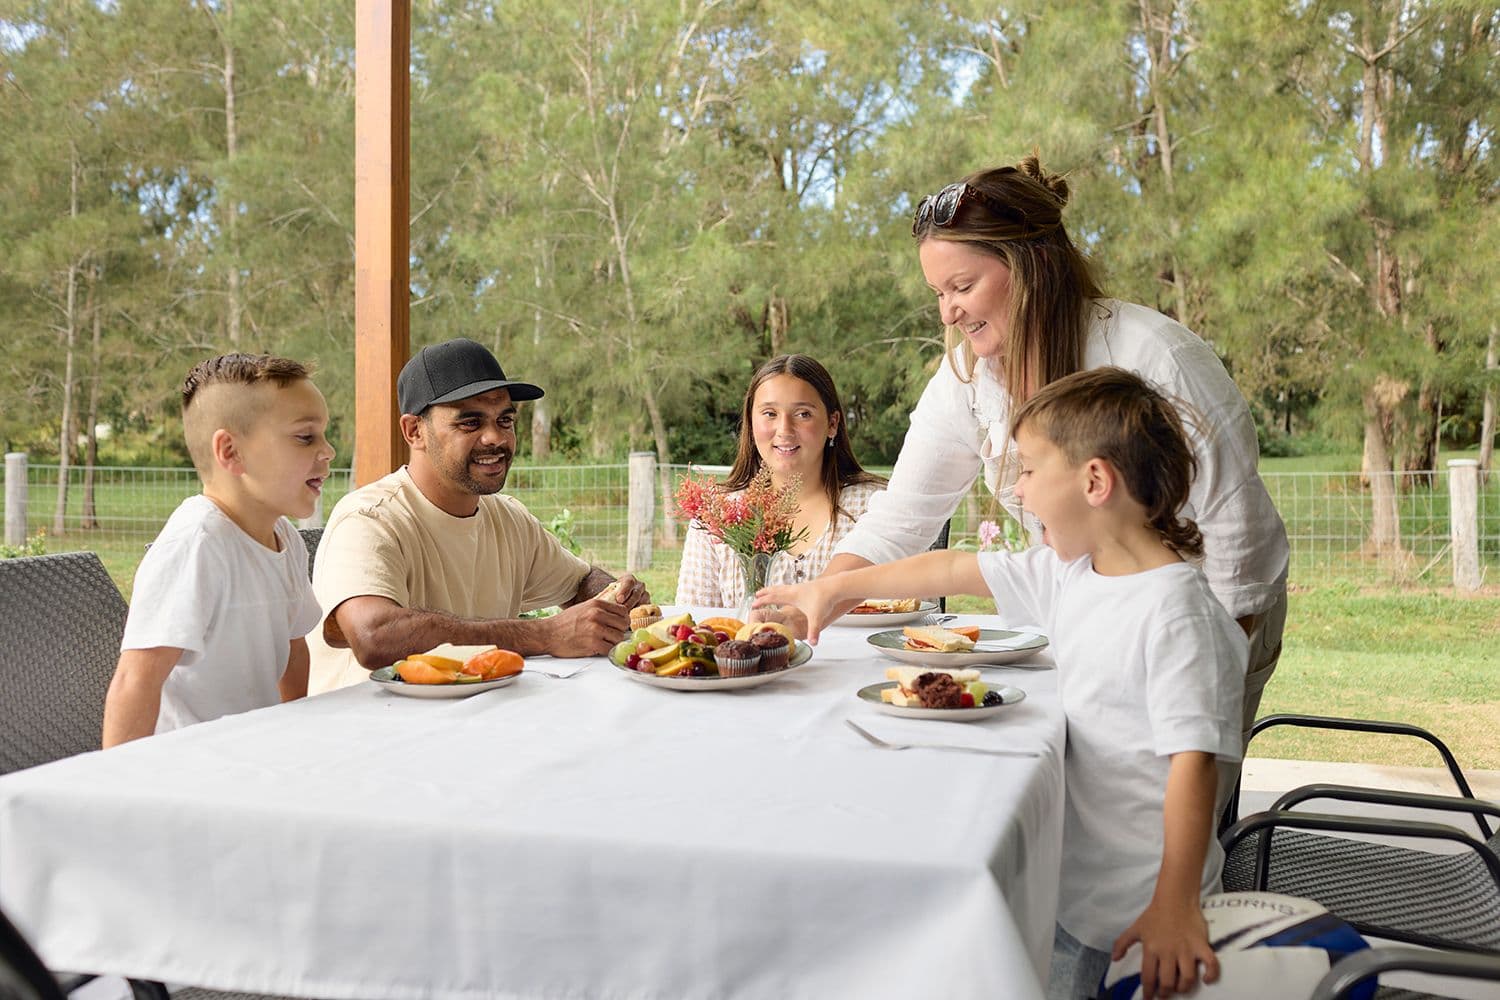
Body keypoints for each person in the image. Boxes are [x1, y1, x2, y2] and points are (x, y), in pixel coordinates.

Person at [756, 368, 1247, 1000]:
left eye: (1032, 470)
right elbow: (954, 566)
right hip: (1081, 901)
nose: (1019, 490)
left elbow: (1194, 765)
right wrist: (836, 586)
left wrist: (1175, 907)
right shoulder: (1077, 574)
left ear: (1095, 481)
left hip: (1148, 917)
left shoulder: (1176, 613)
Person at [790, 155, 1287, 753]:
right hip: (1081, 627)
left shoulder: (1155, 357)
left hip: (1197, 631)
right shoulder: (968, 380)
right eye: (938, 293)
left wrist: (1209, 675)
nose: (948, 312)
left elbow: (1241, 547)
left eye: (963, 286)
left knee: (1163, 810)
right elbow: (903, 518)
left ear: (1031, 268)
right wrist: (816, 599)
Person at [307, 338, 649, 693]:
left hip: (476, 723)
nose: (495, 438)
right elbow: (374, 636)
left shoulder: (508, 518)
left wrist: (617, 597)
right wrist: (546, 634)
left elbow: (579, 582)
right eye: (470, 423)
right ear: (414, 431)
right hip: (366, 732)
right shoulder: (369, 518)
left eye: (505, 420)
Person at [102, 354, 333, 747]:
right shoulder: (197, 545)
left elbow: (295, 649)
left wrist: (296, 740)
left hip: (251, 755)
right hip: (190, 767)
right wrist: (116, 787)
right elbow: (137, 679)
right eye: (305, 437)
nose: (327, 451)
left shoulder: (286, 538)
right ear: (231, 452)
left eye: (325, 435)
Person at [674, 354, 886, 608]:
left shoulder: (875, 507)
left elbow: (913, 618)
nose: (784, 429)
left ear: (832, 423)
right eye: (770, 413)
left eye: (803, 414)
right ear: (751, 423)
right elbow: (692, 628)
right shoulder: (715, 516)